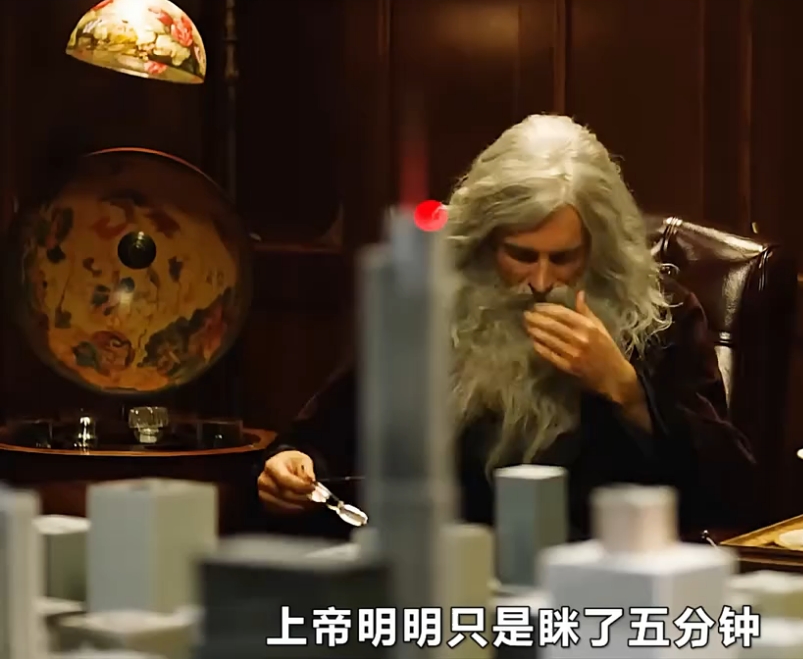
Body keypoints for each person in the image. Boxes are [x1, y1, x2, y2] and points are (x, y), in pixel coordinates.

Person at [256, 114, 756, 538]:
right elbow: (324, 433)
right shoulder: (429, 307)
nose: (541, 281)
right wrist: (292, 466)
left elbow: (733, 490)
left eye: (564, 258)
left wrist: (625, 389)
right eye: (521, 255)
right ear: (484, 242)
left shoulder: (662, 316)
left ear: (598, 249)